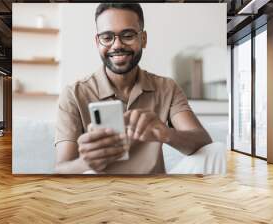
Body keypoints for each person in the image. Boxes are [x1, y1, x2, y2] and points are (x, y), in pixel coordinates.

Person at [54, 3, 212, 174]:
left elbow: (203, 142)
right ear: (97, 42)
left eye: (128, 35)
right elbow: (61, 169)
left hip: (154, 192)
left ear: (143, 39)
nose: (117, 45)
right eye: (107, 37)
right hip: (99, 193)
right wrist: (86, 163)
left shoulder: (167, 87)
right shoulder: (74, 94)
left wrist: (166, 133)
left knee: (216, 151)